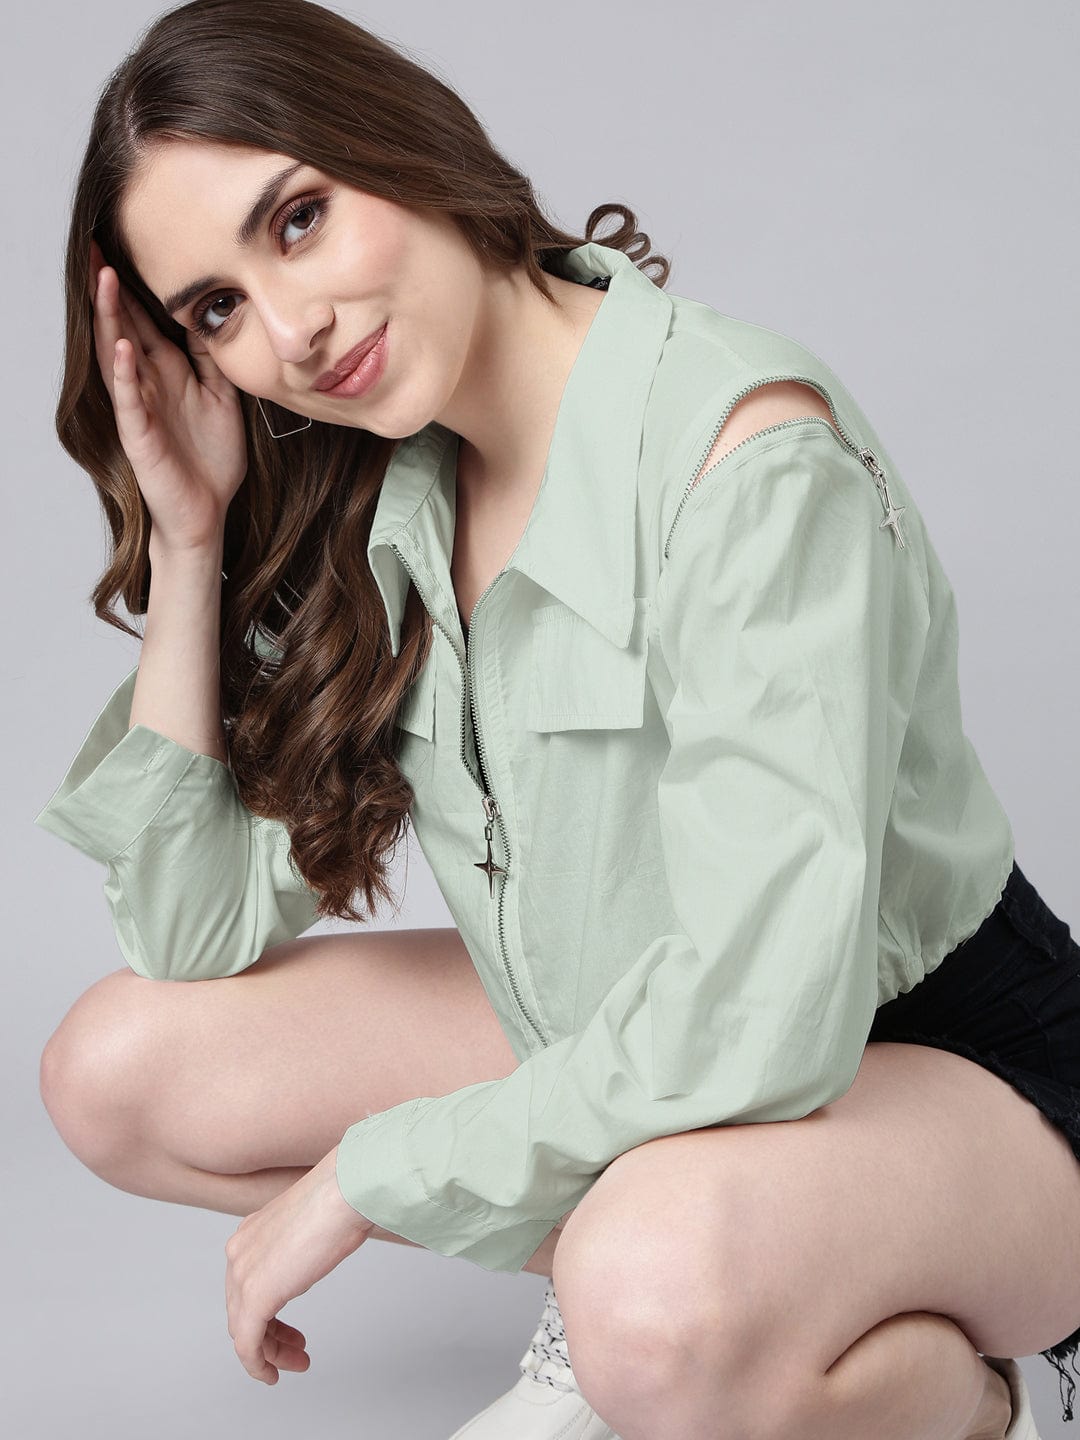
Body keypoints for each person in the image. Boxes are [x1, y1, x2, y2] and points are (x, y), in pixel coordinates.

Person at [33, 1, 1080, 1437]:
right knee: (113, 1071)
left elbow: (761, 1016)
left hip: (950, 1074)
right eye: (216, 309)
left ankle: (965, 1390)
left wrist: (378, 1172)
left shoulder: (747, 455)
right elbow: (188, 931)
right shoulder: (384, 492)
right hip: (643, 1038)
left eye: (299, 219)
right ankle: (678, 1293)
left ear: (398, 142)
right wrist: (191, 541)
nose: (291, 330)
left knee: (646, 1291)